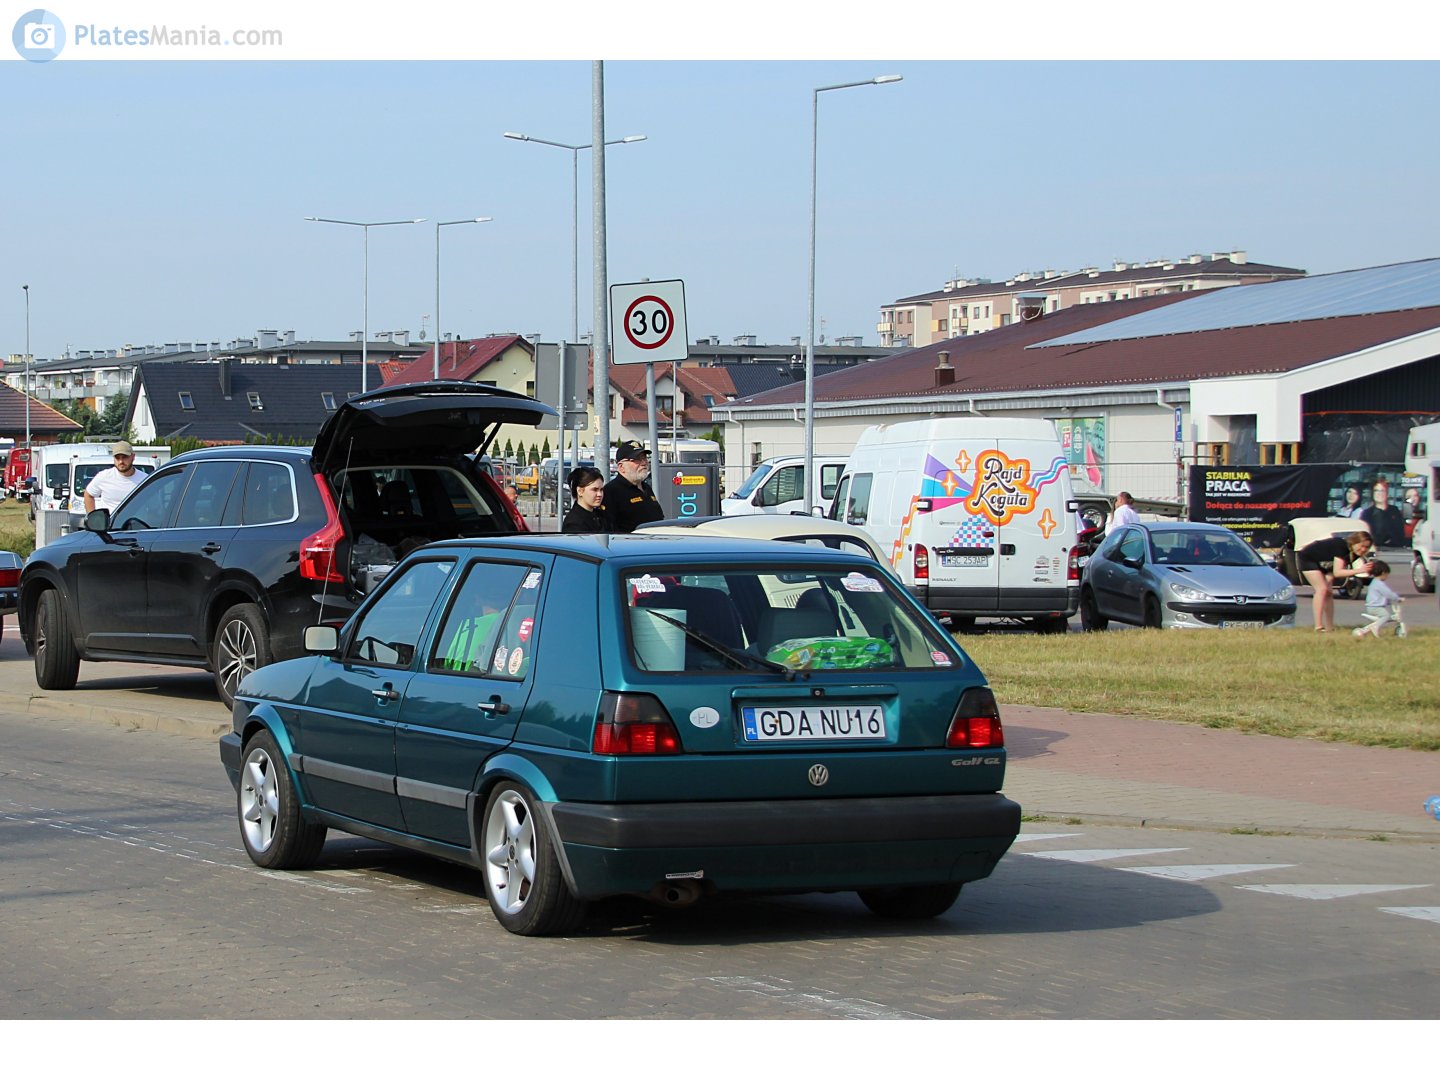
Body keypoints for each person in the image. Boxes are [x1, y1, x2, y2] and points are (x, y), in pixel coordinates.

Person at [1296, 530, 1374, 633]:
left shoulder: (1354, 554)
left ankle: (1329, 627)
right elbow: (1338, 572)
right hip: (1308, 558)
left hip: (1326, 563)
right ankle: (1318, 626)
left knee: (1328, 593)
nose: (1363, 549)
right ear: (1354, 542)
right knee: (1321, 590)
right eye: (1362, 545)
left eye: (1367, 547)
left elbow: (1334, 572)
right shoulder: (1342, 547)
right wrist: (1360, 570)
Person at [602, 440, 663, 533]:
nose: (643, 463)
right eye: (637, 459)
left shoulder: (646, 487)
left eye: (645, 458)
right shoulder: (612, 491)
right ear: (621, 467)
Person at [83, 440, 145, 514]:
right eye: (117, 458)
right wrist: (93, 519)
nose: (121, 461)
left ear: (133, 457)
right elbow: (88, 495)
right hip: (111, 524)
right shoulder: (104, 477)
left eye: (124, 457)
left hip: (136, 524)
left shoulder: (144, 479)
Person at [1352, 559, 1405, 639]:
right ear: (1383, 573)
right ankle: (1375, 627)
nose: (1387, 577)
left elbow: (1381, 596)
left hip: (1372, 606)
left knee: (1385, 617)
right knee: (1386, 616)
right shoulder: (1379, 584)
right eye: (1387, 574)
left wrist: (1388, 602)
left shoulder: (1374, 582)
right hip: (1375, 607)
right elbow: (1388, 593)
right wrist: (1397, 598)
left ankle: (1365, 630)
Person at [561, 466, 612, 533]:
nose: (599, 494)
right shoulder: (574, 523)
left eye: (601, 490)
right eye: (594, 490)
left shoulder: (601, 516)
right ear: (580, 491)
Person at [1359, 480, 1406, 547]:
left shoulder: (1395, 511)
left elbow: (1400, 535)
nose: (1379, 493)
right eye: (1376, 490)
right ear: (1373, 494)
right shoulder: (1366, 514)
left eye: (1382, 491)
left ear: (1387, 493)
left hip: (1394, 550)